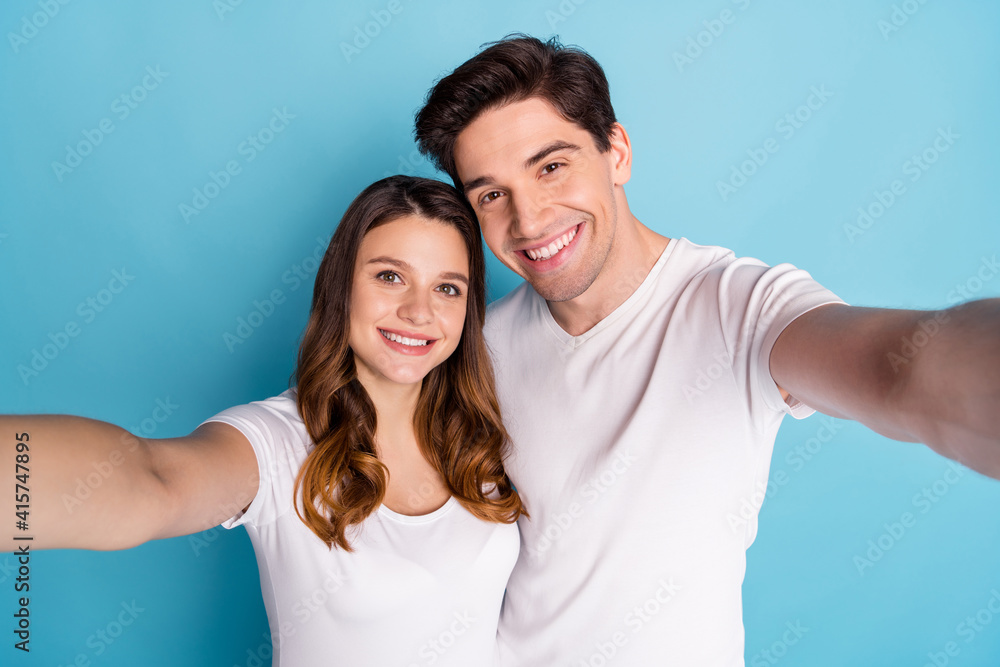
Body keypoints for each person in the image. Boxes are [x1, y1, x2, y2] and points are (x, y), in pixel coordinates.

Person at [414, 35, 1000, 665]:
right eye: (491, 195)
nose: (527, 221)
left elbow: (902, 373)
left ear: (616, 152)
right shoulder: (470, 347)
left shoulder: (738, 307)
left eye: (551, 166)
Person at [1, 176, 526, 666]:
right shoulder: (280, 442)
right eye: (390, 276)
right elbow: (151, 479)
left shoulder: (483, 440)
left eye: (448, 288)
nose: (419, 310)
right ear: (342, 286)